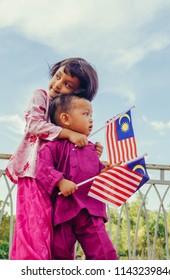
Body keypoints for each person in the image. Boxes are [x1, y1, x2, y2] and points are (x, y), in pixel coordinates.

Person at [5, 57, 103, 260]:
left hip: (58, 180)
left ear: (77, 94)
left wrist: (91, 150)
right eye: (58, 77)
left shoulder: (68, 114)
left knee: (55, 235)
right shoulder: (41, 96)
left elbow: (72, 150)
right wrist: (69, 134)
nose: (58, 85)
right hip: (34, 173)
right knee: (34, 229)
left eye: (68, 84)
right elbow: (34, 124)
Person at [36, 94, 118, 260]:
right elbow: (42, 168)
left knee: (103, 252)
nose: (91, 119)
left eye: (91, 115)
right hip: (63, 211)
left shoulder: (91, 148)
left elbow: (97, 171)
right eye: (86, 114)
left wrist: (105, 171)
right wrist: (60, 181)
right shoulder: (53, 146)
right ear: (66, 119)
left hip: (91, 211)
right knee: (60, 253)